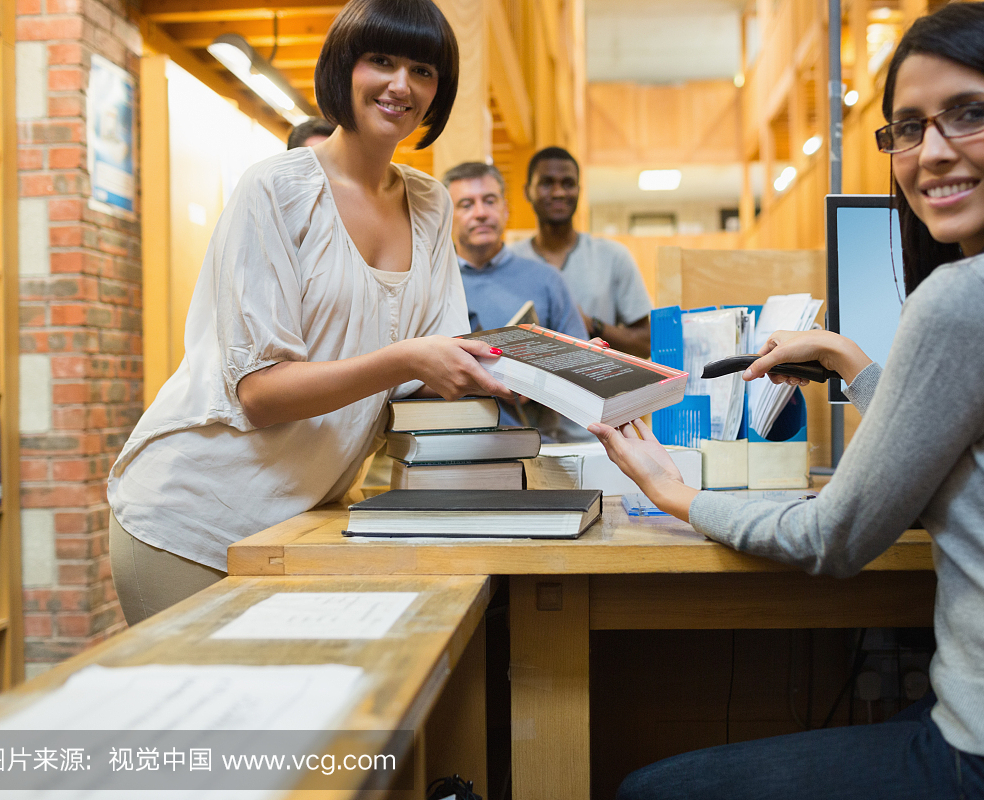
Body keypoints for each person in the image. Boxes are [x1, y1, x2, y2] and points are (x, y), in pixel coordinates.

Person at [590, 4, 984, 797]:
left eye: (971, 114)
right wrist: (856, 366)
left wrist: (673, 493)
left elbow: (836, 536)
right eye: (909, 128)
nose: (932, 153)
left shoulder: (974, 295)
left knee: (652, 790)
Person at [106, 0, 510, 624]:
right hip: (193, 518)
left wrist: (532, 373)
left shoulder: (430, 205)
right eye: (382, 60)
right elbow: (260, 394)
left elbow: (436, 371)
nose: (402, 85)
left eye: (423, 70)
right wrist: (407, 358)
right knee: (212, 722)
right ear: (345, 68)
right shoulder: (275, 189)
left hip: (302, 522)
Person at [442, 160, 591, 441]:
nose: (481, 213)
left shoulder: (547, 280)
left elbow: (582, 370)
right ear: (446, 216)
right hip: (451, 443)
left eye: (490, 200)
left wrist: (539, 382)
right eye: (466, 204)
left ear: (505, 209)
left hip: (537, 445)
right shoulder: (429, 283)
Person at [511, 147, 653, 357]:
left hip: (598, 385)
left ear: (579, 190)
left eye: (568, 183)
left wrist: (591, 324)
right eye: (547, 183)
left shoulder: (613, 256)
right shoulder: (509, 260)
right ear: (527, 191)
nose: (559, 192)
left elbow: (646, 344)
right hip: (525, 388)